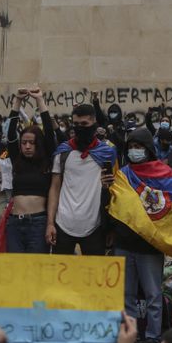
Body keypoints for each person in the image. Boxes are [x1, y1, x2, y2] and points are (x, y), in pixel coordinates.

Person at [111, 128, 172, 340]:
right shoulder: (122, 175)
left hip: (150, 245)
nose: (134, 151)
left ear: (148, 149)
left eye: (138, 147)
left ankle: (152, 338)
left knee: (153, 296)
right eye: (130, 147)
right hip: (124, 243)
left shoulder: (164, 174)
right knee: (125, 296)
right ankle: (130, 337)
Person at [47, 104, 117, 255]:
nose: (80, 128)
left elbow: (114, 190)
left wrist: (110, 227)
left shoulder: (107, 153)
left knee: (94, 276)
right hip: (62, 224)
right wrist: (50, 223)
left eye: (84, 124)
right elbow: (54, 188)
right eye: (76, 124)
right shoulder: (63, 152)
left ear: (94, 124)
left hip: (95, 227)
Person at [5, 88, 57, 253]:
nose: (27, 146)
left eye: (32, 143)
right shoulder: (17, 160)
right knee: (16, 272)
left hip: (38, 223)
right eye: (24, 142)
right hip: (14, 223)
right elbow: (10, 133)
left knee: (35, 272)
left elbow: (49, 131)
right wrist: (17, 101)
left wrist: (40, 100)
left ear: (39, 144)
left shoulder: (47, 160)